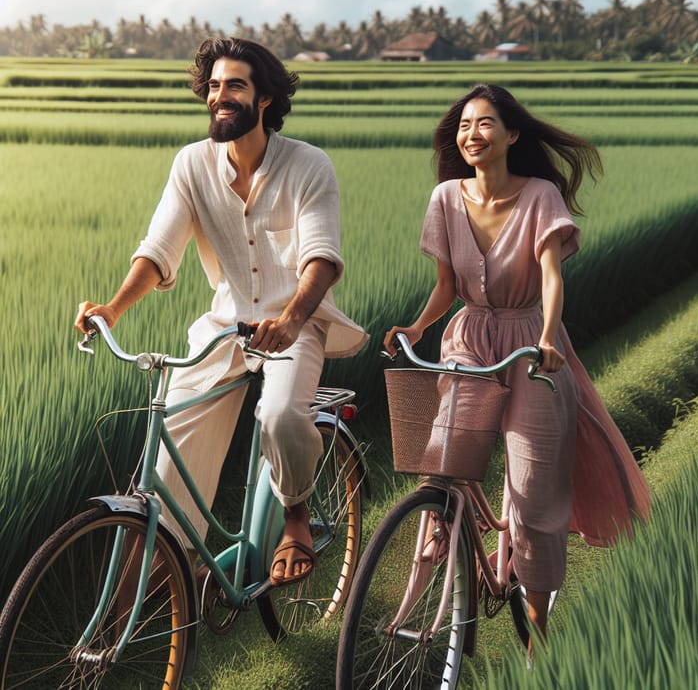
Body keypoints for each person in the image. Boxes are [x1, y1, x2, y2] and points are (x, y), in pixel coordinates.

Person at [75, 36, 368, 587]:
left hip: (293, 324)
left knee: (280, 416)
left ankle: (296, 520)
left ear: (263, 99)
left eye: (235, 85)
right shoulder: (192, 164)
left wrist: (292, 321)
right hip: (225, 327)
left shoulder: (308, 165)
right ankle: (165, 573)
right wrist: (113, 309)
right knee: (168, 457)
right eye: (213, 86)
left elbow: (321, 259)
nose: (220, 96)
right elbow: (158, 249)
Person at [384, 84, 650, 651]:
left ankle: (535, 633)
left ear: (512, 135)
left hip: (531, 345)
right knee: (444, 465)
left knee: (532, 491)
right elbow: (447, 288)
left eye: (484, 124)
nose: (471, 135)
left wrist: (551, 336)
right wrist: (416, 328)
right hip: (469, 337)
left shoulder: (541, 196)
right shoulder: (445, 199)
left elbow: (552, 276)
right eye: (463, 126)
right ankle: (438, 576)